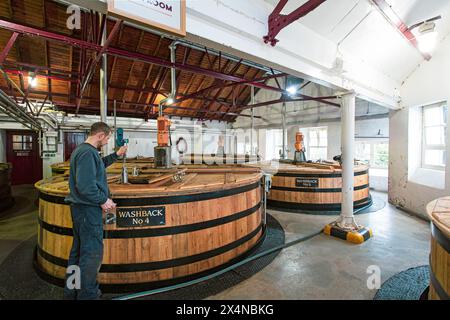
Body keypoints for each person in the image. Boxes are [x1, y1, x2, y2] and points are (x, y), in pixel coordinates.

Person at [63, 122, 127, 300]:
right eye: (107, 138)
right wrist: (103, 200)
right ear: (100, 135)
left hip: (81, 210)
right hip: (87, 211)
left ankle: (72, 292)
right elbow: (85, 186)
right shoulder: (86, 153)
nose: (107, 142)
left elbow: (98, 166)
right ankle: (88, 296)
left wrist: (116, 155)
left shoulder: (86, 151)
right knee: (91, 256)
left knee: (77, 254)